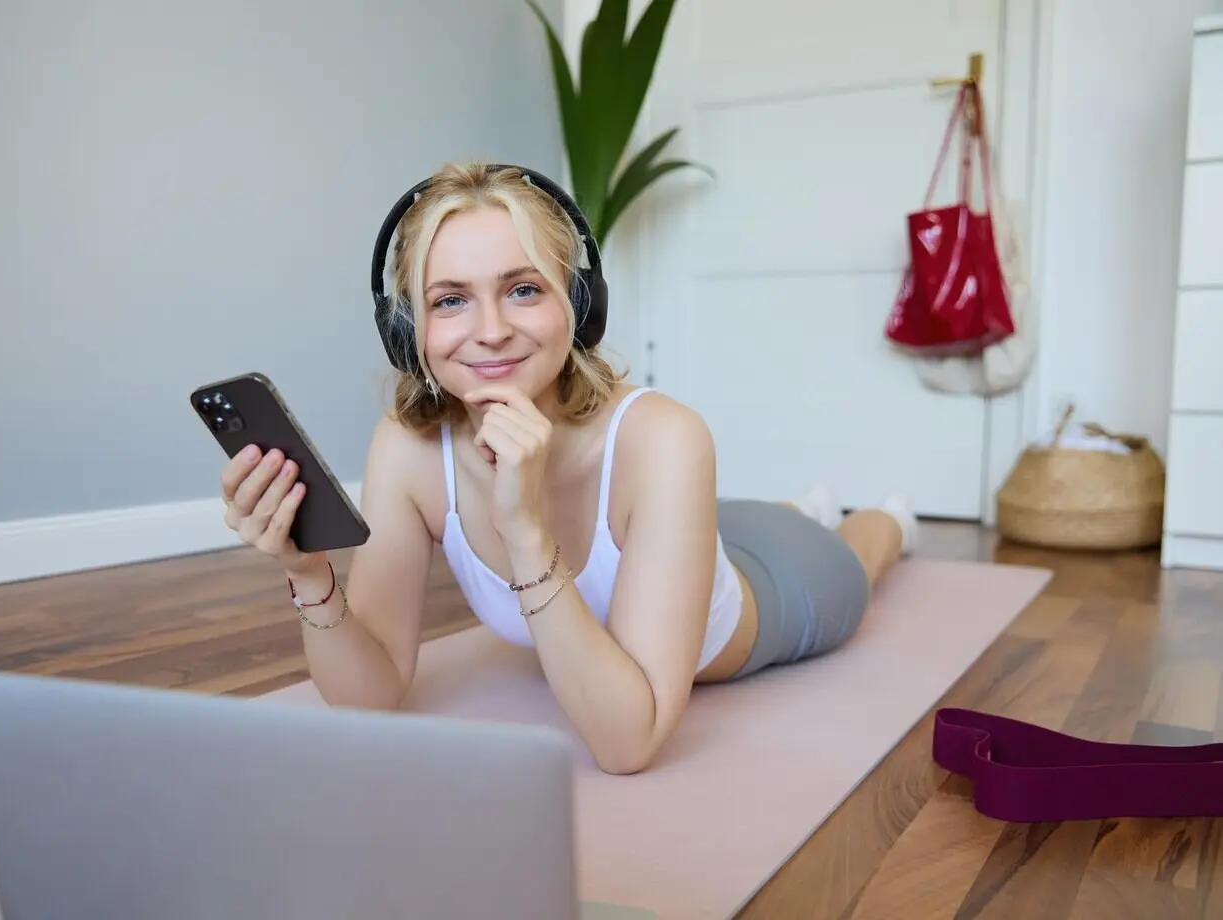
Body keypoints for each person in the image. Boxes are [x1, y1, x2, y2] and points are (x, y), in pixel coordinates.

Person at [218, 162, 919, 775]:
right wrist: (308, 572)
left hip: (779, 585)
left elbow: (628, 742)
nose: (490, 329)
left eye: (523, 289)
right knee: (722, 525)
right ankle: (798, 506)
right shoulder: (408, 448)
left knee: (860, 554)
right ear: (410, 330)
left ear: (577, 304)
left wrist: (524, 528)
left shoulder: (665, 438)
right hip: (694, 542)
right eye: (450, 299)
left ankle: (879, 520)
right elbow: (366, 699)